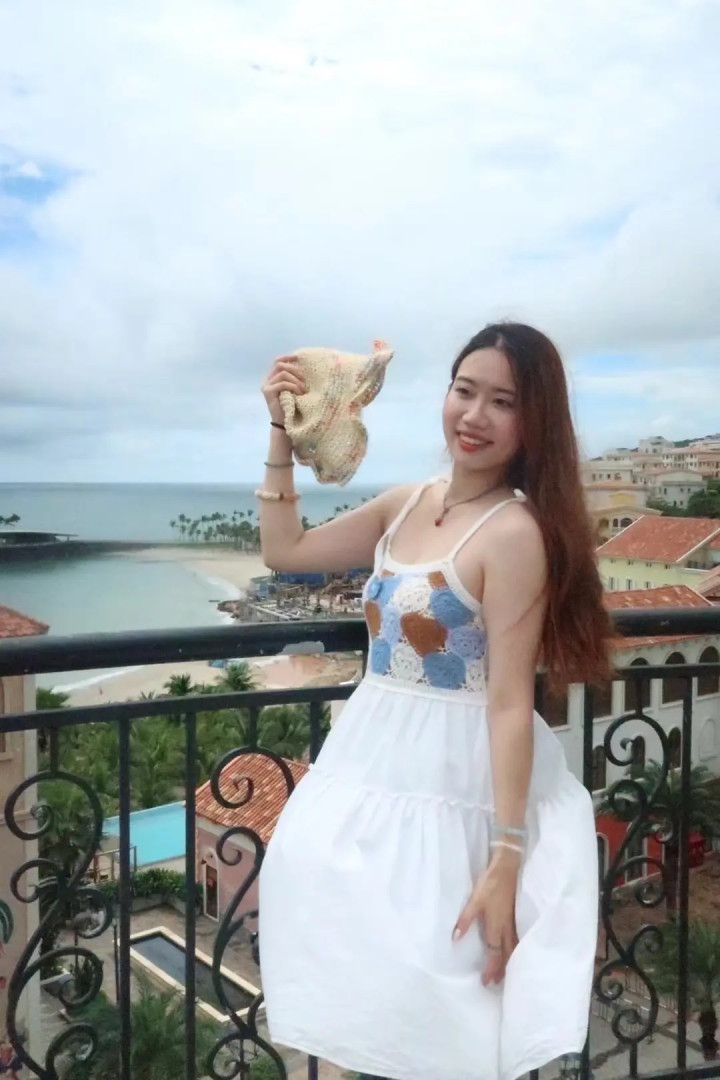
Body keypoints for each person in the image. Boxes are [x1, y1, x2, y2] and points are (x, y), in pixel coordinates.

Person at [256, 323, 611, 1080]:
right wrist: (281, 432)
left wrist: (506, 858)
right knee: (370, 981)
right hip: (373, 761)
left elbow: (510, 702)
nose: (475, 416)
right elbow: (286, 552)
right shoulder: (406, 502)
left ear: (534, 421)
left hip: (457, 788)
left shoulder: (513, 533)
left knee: (442, 1009)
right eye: (464, 391)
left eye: (503, 402)